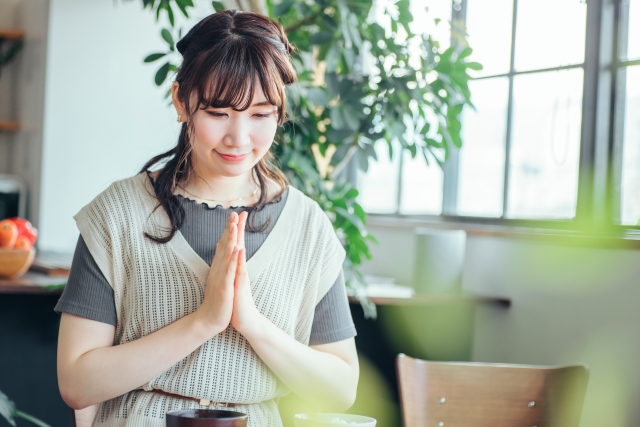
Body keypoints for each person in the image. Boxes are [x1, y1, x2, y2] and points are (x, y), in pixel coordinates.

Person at [55, 10, 359, 427]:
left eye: (260, 114)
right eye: (218, 113)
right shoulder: (118, 214)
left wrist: (250, 323)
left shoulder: (307, 226)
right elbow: (76, 382)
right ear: (182, 101)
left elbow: (341, 390)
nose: (239, 138)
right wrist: (203, 322)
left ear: (279, 112)